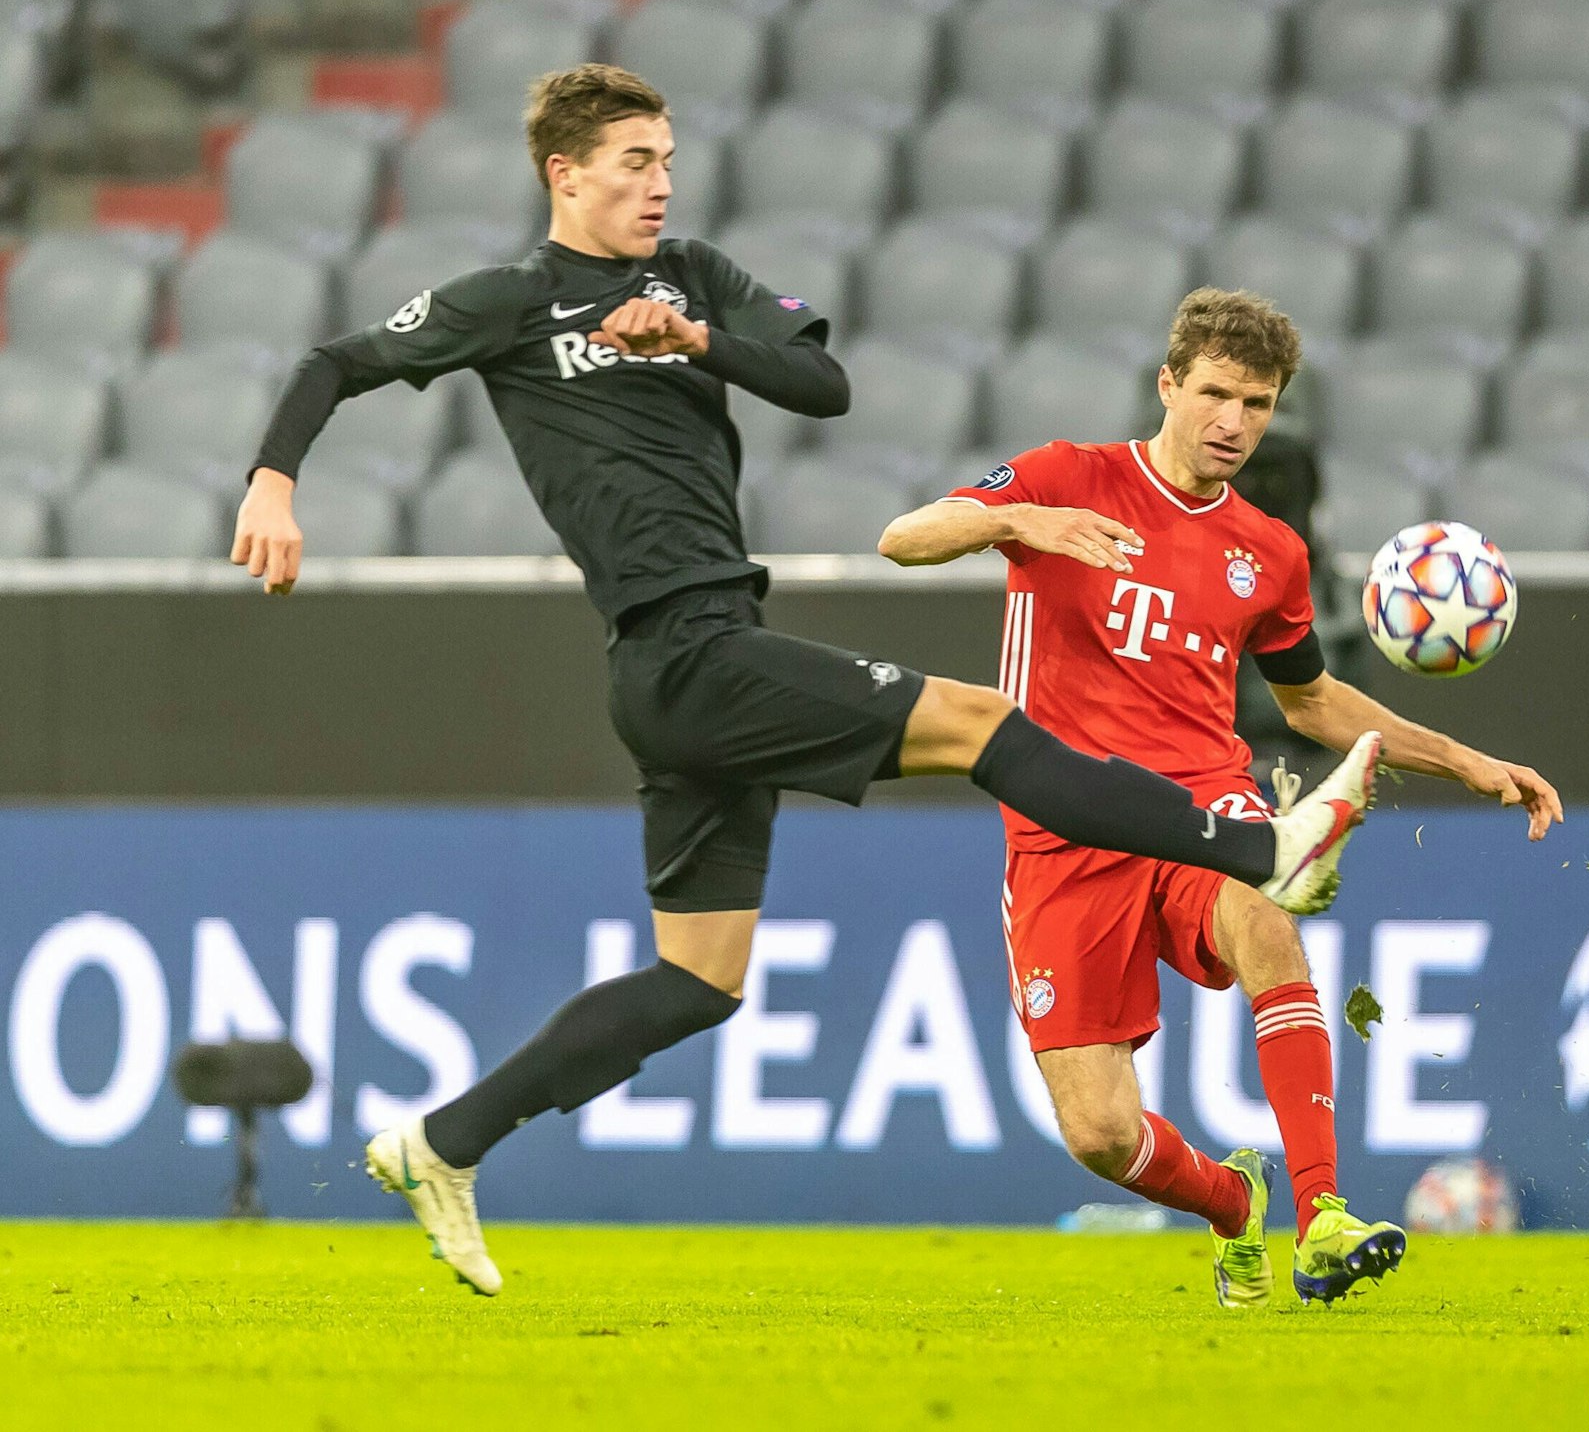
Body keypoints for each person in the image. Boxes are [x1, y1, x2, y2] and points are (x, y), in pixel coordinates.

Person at [227, 67, 1371, 1296]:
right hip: (679, 650)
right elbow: (334, 361)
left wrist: (696, 338)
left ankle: (443, 1145)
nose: (659, 183)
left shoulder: (694, 277)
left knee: (698, 979)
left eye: (667, 160)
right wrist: (272, 484)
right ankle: (1253, 850)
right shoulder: (508, 303)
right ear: (564, 173)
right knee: (984, 721)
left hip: (699, 653)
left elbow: (822, 385)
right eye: (634, 162)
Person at [878, 288, 1564, 1307]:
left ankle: (1323, 1217)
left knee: (1265, 910)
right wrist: (1015, 519)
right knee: (1099, 1133)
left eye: (1256, 403)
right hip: (1062, 829)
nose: (1233, 422)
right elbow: (902, 538)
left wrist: (1460, 759)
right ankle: (1232, 1203)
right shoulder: (1068, 476)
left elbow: (1310, 698)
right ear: (1168, 385)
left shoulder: (1270, 551)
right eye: (1214, 394)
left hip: (1197, 805)